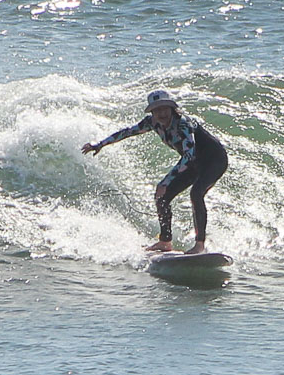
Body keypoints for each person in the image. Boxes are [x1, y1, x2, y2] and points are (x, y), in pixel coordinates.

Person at [82, 90, 229, 254]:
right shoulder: (152, 122)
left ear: (172, 109)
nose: (162, 113)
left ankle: (199, 245)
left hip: (214, 160)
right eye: (157, 110)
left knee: (196, 193)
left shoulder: (184, 124)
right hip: (193, 164)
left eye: (165, 109)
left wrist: (165, 182)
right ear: (152, 112)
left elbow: (189, 154)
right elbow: (127, 132)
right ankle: (165, 242)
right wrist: (100, 144)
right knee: (162, 196)